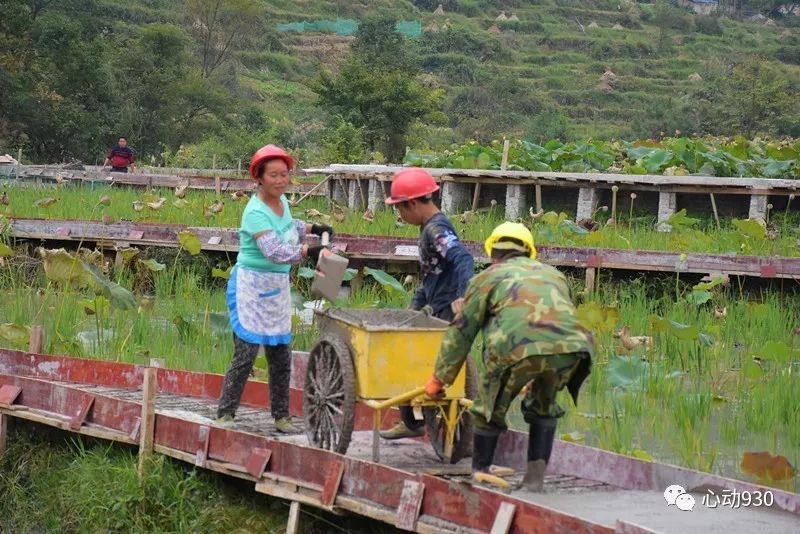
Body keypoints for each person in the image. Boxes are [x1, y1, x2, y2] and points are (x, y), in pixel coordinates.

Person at [424, 222, 594, 491]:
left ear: (493, 254)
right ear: (529, 252)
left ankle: (480, 473)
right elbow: (560, 319)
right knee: (544, 404)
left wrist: (439, 379)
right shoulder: (554, 275)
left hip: (515, 349)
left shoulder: (486, 278)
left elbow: (461, 333)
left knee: (488, 409)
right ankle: (535, 481)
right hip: (572, 350)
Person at [217, 144, 332, 433]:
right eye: (274, 176)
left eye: (285, 175)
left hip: (276, 287)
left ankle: (281, 416)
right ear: (260, 178)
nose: (281, 180)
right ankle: (226, 414)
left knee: (281, 353)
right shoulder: (254, 211)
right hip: (251, 285)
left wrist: (313, 228)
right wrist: (308, 252)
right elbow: (275, 251)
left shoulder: (283, 203)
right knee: (245, 353)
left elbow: (287, 225)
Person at [380, 167, 475, 440]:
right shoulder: (431, 226)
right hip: (435, 304)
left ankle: (412, 422)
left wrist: (463, 294)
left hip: (445, 309)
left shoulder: (435, 230)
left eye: (400, 209)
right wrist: (416, 303)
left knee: (409, 356)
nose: (400, 215)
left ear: (411, 204)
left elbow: (463, 259)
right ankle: (413, 419)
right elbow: (434, 274)